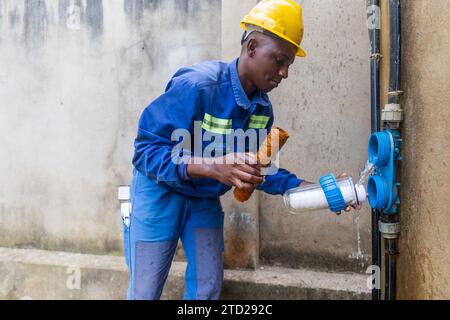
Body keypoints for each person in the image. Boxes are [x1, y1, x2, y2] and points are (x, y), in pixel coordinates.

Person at [124, 0, 352, 300]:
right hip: (159, 194)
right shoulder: (197, 86)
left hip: (202, 199)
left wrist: (319, 192)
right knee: (145, 291)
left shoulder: (261, 109)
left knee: (207, 289)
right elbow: (146, 151)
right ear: (253, 46)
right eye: (280, 60)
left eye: (289, 65)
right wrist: (215, 167)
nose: (284, 73)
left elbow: (260, 171)